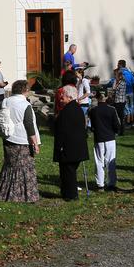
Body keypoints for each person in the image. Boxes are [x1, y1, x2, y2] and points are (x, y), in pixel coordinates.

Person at [0, 80, 40, 202]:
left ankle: (5, 193)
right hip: (22, 139)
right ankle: (23, 195)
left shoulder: (5, 101)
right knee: (24, 168)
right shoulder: (25, 105)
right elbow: (29, 125)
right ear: (25, 90)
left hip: (8, 137)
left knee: (10, 166)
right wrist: (35, 143)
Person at [51, 71, 88, 200]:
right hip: (78, 147)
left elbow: (62, 131)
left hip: (69, 148)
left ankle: (71, 195)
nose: (61, 99)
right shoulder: (77, 109)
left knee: (68, 172)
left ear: (70, 97)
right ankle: (67, 193)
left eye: (63, 97)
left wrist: (60, 147)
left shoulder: (66, 112)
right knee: (69, 172)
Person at [88, 93, 121, 191]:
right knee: (111, 161)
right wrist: (116, 131)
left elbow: (92, 125)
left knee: (99, 161)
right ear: (106, 98)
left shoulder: (93, 111)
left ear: (97, 99)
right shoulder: (111, 110)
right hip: (110, 137)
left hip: (99, 138)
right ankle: (111, 183)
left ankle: (100, 184)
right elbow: (116, 125)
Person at [117, 59, 134, 126]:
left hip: (124, 92)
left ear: (121, 65)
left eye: (118, 64)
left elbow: (117, 82)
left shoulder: (119, 72)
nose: (117, 65)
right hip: (131, 92)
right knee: (132, 107)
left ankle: (127, 122)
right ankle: (132, 122)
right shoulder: (129, 72)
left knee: (126, 107)